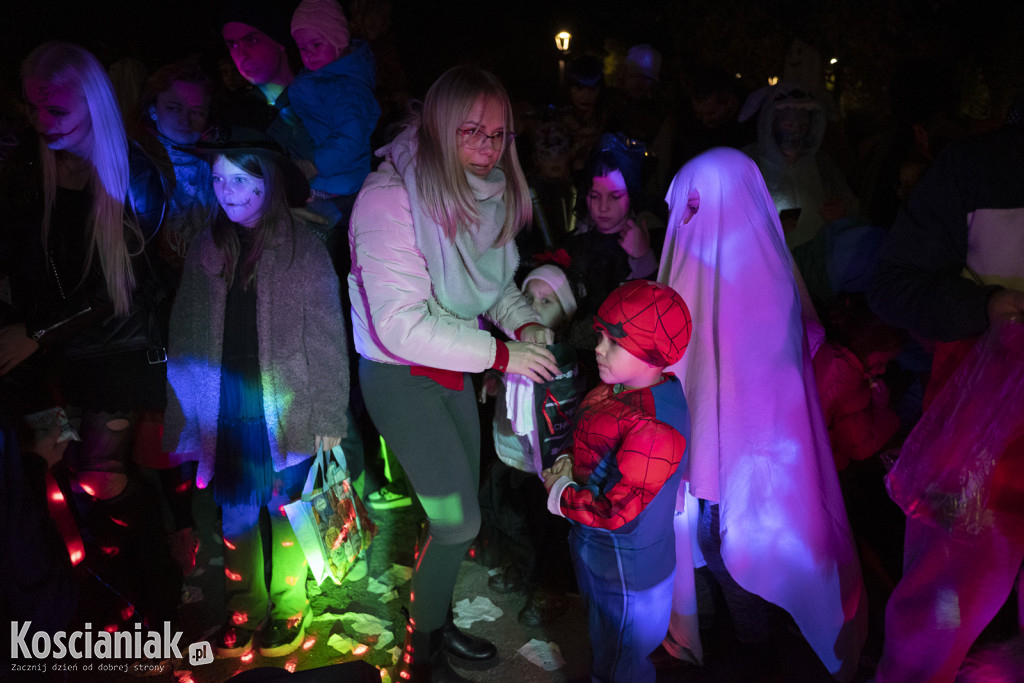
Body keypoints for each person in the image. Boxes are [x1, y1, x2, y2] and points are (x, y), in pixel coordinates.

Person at [348, 65, 560, 681]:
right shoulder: (388, 197)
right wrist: (501, 355)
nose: (487, 147)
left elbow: (493, 289)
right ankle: (422, 649)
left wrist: (523, 326)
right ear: (440, 127)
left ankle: (434, 617)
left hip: (455, 366)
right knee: (456, 519)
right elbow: (400, 324)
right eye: (471, 131)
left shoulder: (486, 191)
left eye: (498, 134)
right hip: (399, 372)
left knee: (458, 519)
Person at [657, 147, 866, 681]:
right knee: (711, 539)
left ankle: (757, 641)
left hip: (762, 455)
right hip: (716, 449)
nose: (685, 219)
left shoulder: (763, 276)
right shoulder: (710, 266)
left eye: (698, 204)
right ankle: (743, 636)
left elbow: (766, 370)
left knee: (735, 543)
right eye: (685, 205)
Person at [0, 40, 179, 634]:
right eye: (33, 109)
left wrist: (35, 333)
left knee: (99, 475)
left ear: (93, 104)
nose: (42, 123)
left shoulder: (138, 170)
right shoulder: (33, 166)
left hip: (121, 351)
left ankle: (161, 596)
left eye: (56, 111)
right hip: (56, 355)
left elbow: (117, 287)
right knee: (67, 475)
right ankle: (117, 590)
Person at [163, 134, 349, 659]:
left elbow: (328, 338)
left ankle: (290, 603)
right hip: (227, 406)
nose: (228, 191)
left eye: (241, 180)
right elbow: (186, 330)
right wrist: (186, 406)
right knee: (236, 514)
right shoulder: (207, 246)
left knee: (285, 506)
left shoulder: (304, 250)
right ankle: (245, 603)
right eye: (220, 179)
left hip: (286, 406)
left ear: (269, 182)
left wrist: (330, 414)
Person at [867, 109, 1024, 683]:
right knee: (939, 609)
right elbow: (893, 284)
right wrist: (982, 308)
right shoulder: (980, 168)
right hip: (980, 440)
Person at [542, 278, 692, 683]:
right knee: (605, 644)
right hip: (596, 554)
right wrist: (568, 462)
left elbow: (617, 510)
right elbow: (587, 432)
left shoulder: (655, 425)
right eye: (601, 335)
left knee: (622, 662)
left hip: (628, 572)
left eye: (615, 342)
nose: (599, 348)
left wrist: (559, 491)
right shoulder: (618, 387)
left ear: (653, 354)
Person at [481, 264, 582, 627]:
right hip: (511, 455)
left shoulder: (566, 360)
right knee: (512, 521)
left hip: (546, 463)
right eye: (526, 297)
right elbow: (505, 374)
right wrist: (494, 379)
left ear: (565, 313)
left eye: (546, 300)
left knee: (547, 532)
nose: (534, 307)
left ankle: (549, 590)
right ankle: (519, 569)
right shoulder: (512, 346)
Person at [565, 132, 658, 373]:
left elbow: (652, 311)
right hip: (577, 360)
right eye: (595, 196)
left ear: (632, 196)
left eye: (615, 196)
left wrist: (642, 257)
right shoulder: (575, 242)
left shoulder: (654, 237)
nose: (603, 207)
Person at [739, 82, 857, 249]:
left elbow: (850, 202)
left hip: (815, 261)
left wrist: (843, 208)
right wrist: (765, 229)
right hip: (767, 264)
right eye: (788, 125)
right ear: (770, 123)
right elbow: (727, 217)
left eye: (803, 126)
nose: (796, 133)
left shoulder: (821, 163)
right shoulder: (747, 162)